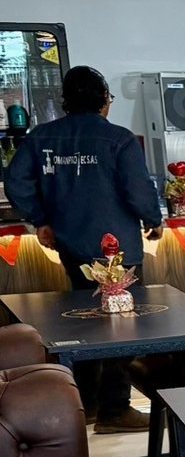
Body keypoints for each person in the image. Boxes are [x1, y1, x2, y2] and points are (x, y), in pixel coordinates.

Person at [4, 66, 163, 433]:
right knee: (123, 326)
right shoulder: (119, 139)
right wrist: (154, 219)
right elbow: (138, 189)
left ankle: (86, 404)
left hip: (71, 245)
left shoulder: (41, 137)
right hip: (117, 251)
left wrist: (40, 219)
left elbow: (15, 182)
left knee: (84, 322)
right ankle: (115, 409)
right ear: (104, 100)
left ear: (66, 102)